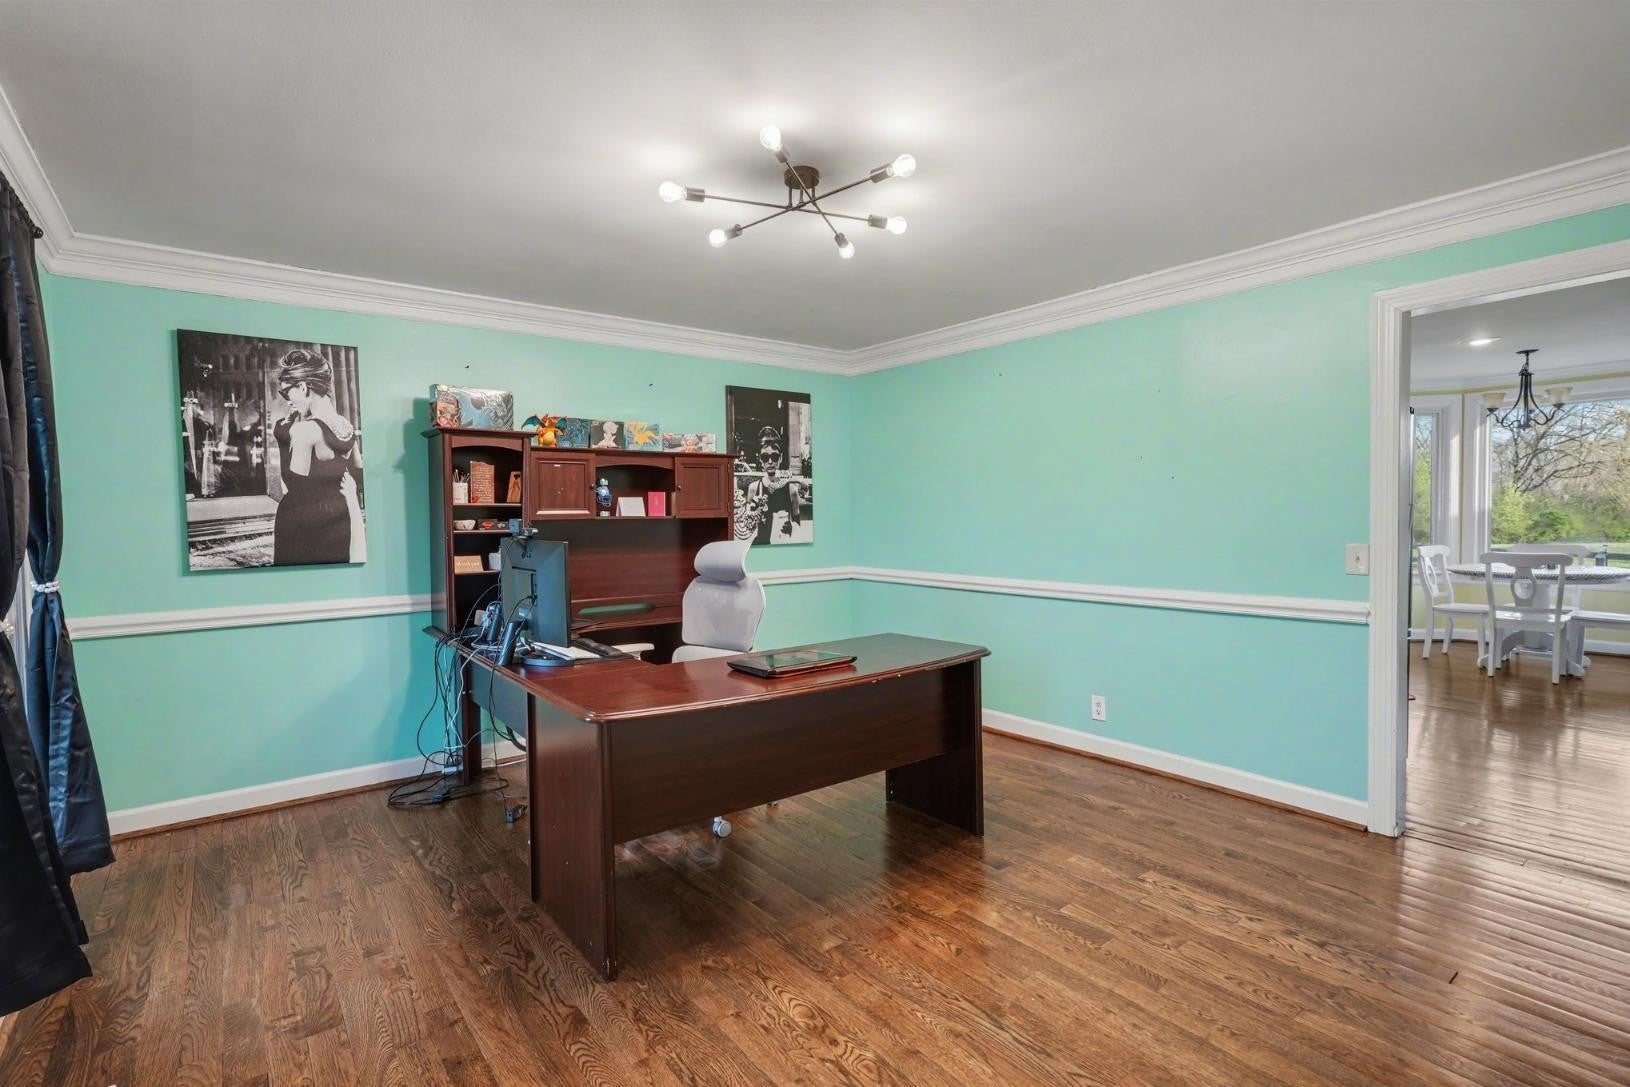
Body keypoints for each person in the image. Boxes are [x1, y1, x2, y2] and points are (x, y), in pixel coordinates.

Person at [271, 349, 365, 565]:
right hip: (338, 517)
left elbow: (292, 485)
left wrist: (282, 437)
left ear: (303, 387)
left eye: (286, 393)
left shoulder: (305, 430)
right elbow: (359, 475)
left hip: (301, 522)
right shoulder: (346, 426)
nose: (288, 401)